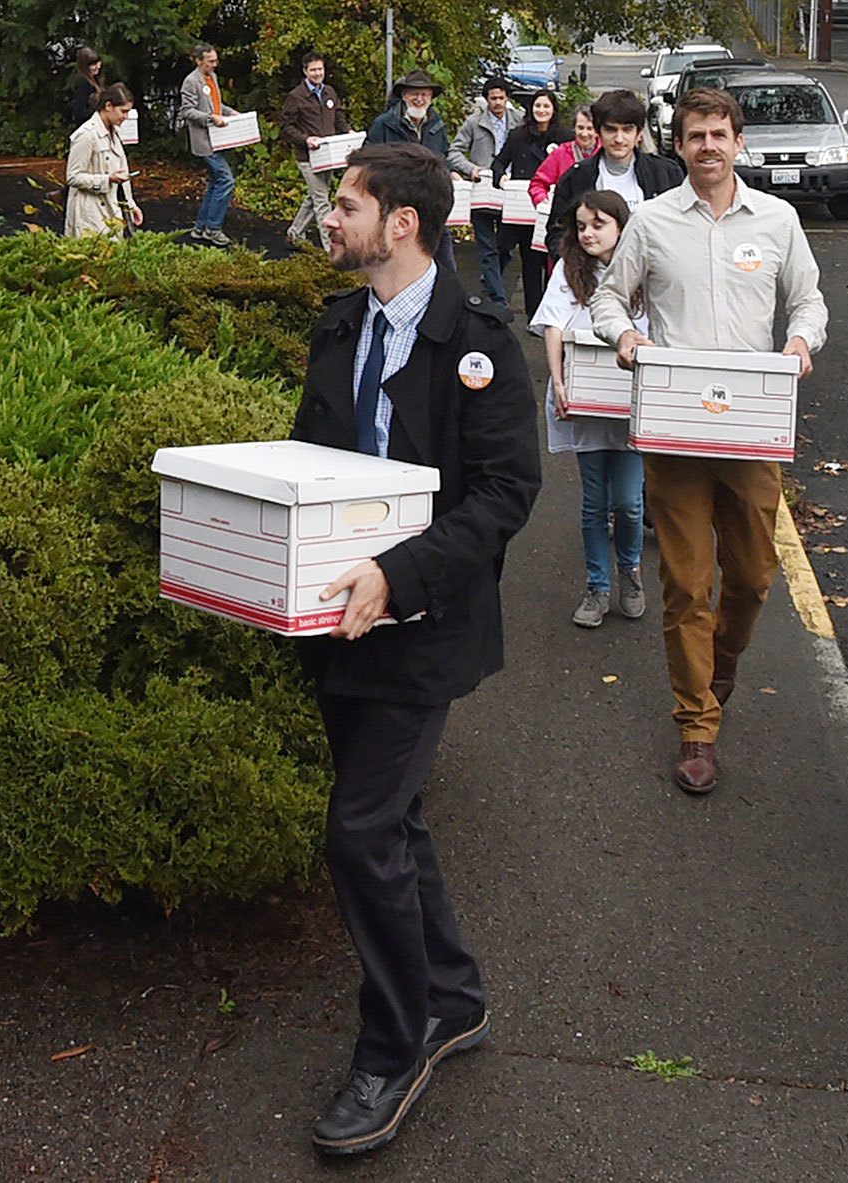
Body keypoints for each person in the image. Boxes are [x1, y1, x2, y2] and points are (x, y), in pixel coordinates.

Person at [291, 141, 540, 1155]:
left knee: (357, 831)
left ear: (401, 221)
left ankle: (398, 1042)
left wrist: (400, 573)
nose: (330, 219)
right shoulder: (338, 323)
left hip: (422, 627)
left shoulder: (478, 339)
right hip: (333, 625)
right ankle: (453, 990)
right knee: (393, 820)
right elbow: (306, 460)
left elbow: (504, 495)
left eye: (344, 205)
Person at [589, 88, 827, 795]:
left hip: (751, 429)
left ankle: (722, 659)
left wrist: (799, 339)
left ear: (739, 142)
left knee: (752, 578)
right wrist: (625, 335)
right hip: (676, 429)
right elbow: (608, 296)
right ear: (680, 144)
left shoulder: (779, 220)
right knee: (687, 583)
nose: (709, 147)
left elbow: (809, 299)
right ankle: (697, 724)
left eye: (719, 134)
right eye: (695, 136)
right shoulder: (654, 223)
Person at [530, 190, 646, 629]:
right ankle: (597, 587)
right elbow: (554, 325)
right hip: (584, 401)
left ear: (621, 227)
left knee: (630, 503)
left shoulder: (643, 271)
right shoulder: (569, 270)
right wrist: (558, 381)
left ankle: (630, 571)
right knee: (595, 501)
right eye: (582, 226)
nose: (588, 233)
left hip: (631, 402)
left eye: (599, 224)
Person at [545, 88, 682, 260]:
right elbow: (557, 234)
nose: (619, 139)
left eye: (627, 130)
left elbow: (681, 229)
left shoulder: (666, 174)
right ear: (599, 132)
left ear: (639, 133)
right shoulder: (576, 178)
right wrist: (579, 269)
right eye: (611, 130)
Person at [363, 69, 457, 272]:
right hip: (397, 202)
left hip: (431, 203)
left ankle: (449, 298)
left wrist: (451, 173)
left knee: (446, 265)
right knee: (400, 261)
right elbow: (367, 159)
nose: (419, 99)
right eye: (415, 93)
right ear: (404, 95)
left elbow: (444, 156)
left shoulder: (437, 124)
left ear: (431, 97)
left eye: (424, 94)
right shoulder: (385, 124)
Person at [491, 89, 569, 319]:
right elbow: (500, 162)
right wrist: (502, 178)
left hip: (554, 209)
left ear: (553, 109)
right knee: (529, 263)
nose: (541, 111)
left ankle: (553, 313)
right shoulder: (518, 135)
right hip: (522, 208)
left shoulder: (565, 137)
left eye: (546, 106)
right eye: (537, 106)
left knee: (553, 263)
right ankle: (534, 315)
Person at [448, 77, 522, 305]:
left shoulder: (519, 121)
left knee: (506, 245)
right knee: (487, 247)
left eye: (501, 98)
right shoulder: (474, 122)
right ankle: (500, 299)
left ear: (507, 98)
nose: (497, 102)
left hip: (510, 189)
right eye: (493, 98)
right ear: (486, 99)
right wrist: (472, 169)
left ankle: (490, 280)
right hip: (482, 190)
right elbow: (454, 152)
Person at [279, 51, 349, 251]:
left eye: (320, 69)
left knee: (315, 196)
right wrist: (305, 139)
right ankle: (331, 249)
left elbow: (339, 116)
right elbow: (287, 127)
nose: (318, 73)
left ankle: (294, 234)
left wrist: (348, 131)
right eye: (313, 70)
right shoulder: (296, 96)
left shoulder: (329, 92)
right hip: (307, 157)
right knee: (321, 201)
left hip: (329, 155)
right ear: (305, 71)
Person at [64, 82, 143, 240]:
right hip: (88, 214)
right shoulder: (86, 135)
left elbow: (122, 171)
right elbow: (72, 176)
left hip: (111, 209)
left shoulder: (116, 133)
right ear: (108, 106)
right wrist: (107, 179)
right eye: (123, 111)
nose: (126, 117)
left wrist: (131, 205)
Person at [179, 43, 238, 246]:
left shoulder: (211, 78)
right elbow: (187, 111)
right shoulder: (191, 81)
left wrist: (230, 113)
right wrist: (211, 118)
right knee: (226, 180)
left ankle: (200, 228)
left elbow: (215, 105)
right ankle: (213, 228)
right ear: (199, 60)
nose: (215, 64)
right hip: (205, 141)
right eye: (210, 61)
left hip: (218, 139)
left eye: (215, 60)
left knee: (215, 182)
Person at [528, 102, 601, 210]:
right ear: (574, 128)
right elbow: (537, 183)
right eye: (580, 128)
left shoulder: (606, 153)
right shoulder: (561, 153)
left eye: (589, 128)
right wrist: (542, 200)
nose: (584, 134)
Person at [68, 47, 105, 128]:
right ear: (84, 66)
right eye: (92, 64)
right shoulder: (82, 83)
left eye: (98, 62)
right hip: (87, 127)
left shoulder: (96, 78)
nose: (97, 66)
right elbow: (79, 112)